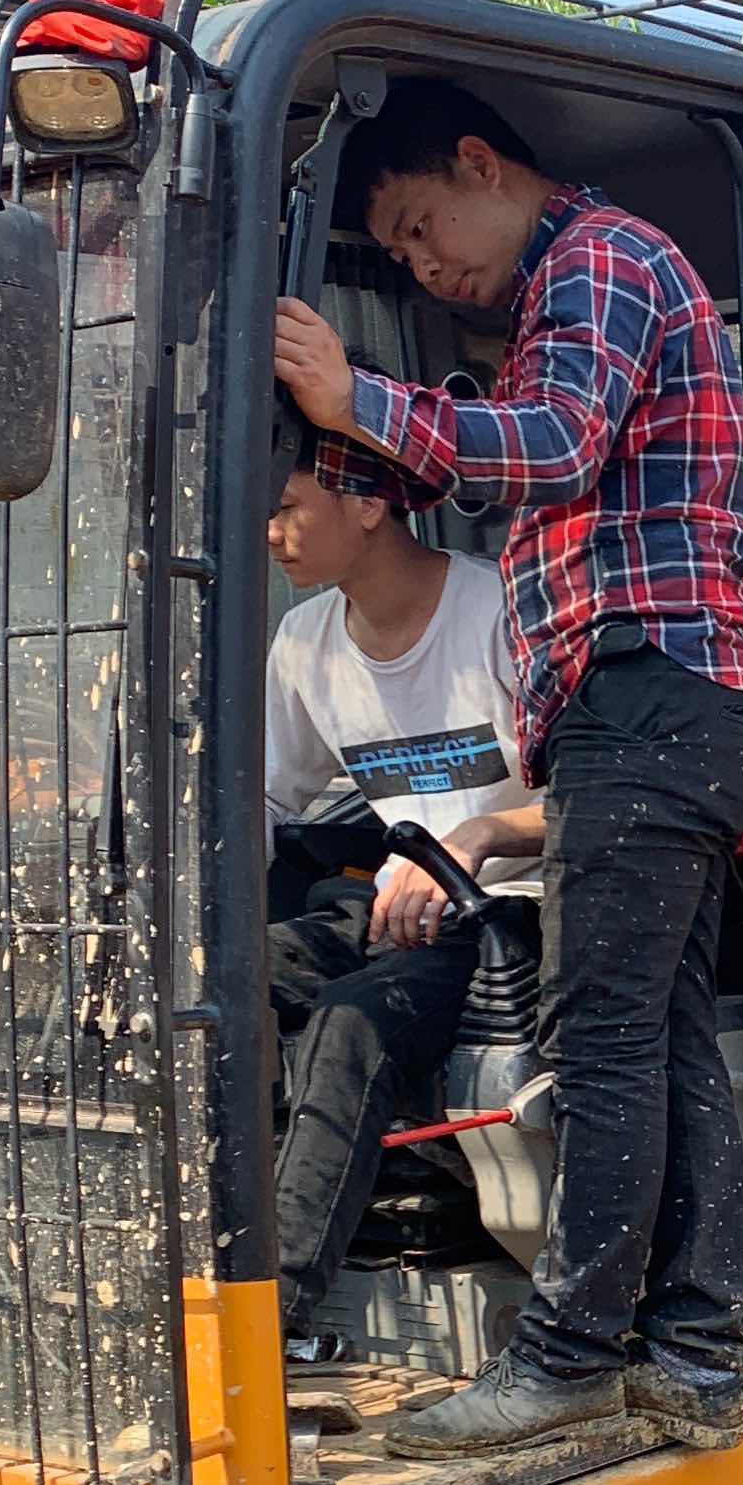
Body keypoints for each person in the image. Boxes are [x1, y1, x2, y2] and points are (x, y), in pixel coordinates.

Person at [271, 79, 743, 1459]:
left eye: (426, 227)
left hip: (655, 693)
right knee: (662, 1037)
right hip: (663, 707)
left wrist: (353, 393)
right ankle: (695, 1351)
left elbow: (551, 442)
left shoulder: (600, 263)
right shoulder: (553, 303)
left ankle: (567, 1355)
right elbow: (504, 469)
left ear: (485, 164)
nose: (430, 266)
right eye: (403, 256)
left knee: (598, 1035)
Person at [263, 453, 543, 1349]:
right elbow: (265, 798)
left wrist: (479, 837)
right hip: (394, 907)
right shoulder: (304, 645)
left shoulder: (502, 612)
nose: (270, 534)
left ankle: (270, 1322)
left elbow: (604, 795)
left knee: (352, 1020)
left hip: (516, 910)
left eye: (286, 507)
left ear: (372, 501)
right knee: (224, 980)